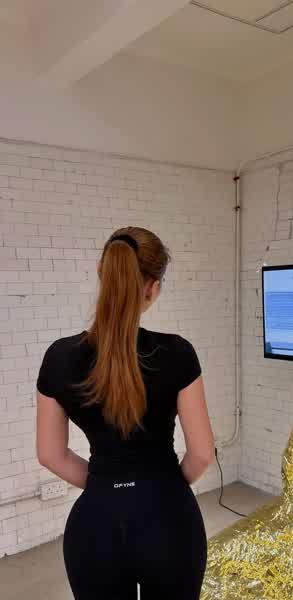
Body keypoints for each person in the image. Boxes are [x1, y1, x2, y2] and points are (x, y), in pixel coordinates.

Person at [35, 226, 215, 600]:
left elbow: (50, 454)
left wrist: (105, 482)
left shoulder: (58, 358)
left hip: (94, 529)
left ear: (101, 272)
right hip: (169, 524)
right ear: (153, 288)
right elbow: (201, 454)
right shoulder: (177, 353)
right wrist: (166, 484)